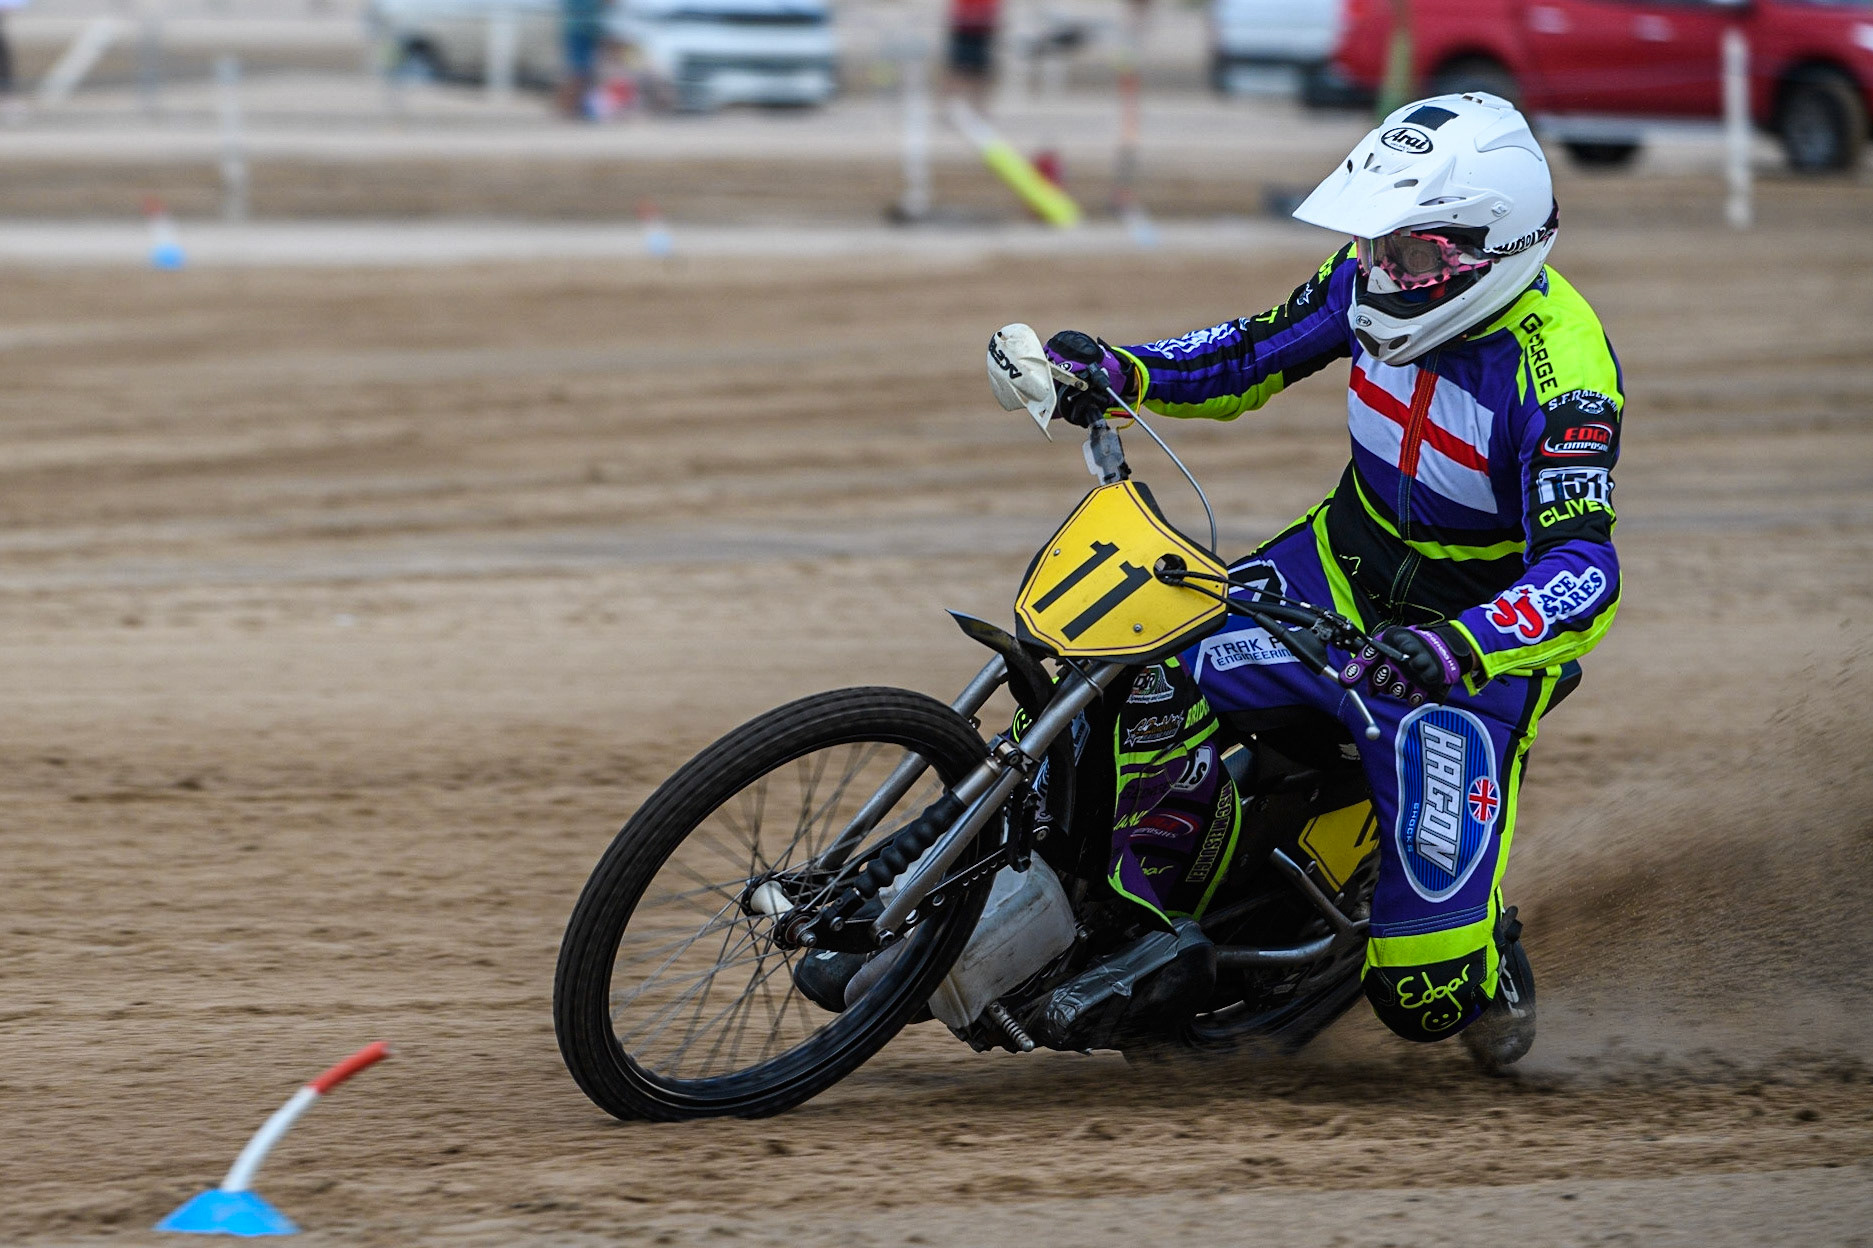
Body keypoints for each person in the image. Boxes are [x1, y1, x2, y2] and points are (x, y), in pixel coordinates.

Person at [1041, 92, 1622, 1065]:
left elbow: (1584, 571)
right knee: (1126, 667)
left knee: (1421, 1000)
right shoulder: (1369, 282)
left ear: (1490, 247)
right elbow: (1248, 353)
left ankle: (1483, 947)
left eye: (1410, 255)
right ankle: (1143, 906)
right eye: (1375, 245)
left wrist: (1456, 647)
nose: (1379, 272)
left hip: (1458, 658)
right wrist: (1121, 370)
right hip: (1331, 574)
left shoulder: (1559, 376)